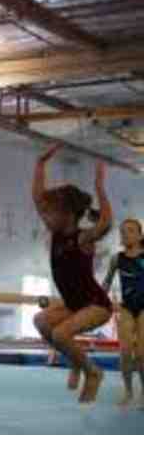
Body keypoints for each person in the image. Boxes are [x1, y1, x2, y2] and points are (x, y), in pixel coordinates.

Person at [32, 145, 113, 404]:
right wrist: (40, 165)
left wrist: (100, 187)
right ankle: (77, 362)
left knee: (60, 334)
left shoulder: (82, 238)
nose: (45, 215)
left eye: (51, 212)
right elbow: (38, 200)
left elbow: (106, 223)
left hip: (96, 305)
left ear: (68, 214)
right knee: (41, 321)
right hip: (73, 305)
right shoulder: (56, 232)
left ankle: (93, 372)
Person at [102, 218, 144, 408]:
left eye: (131, 230)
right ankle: (128, 391)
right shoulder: (117, 259)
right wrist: (97, 299)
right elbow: (106, 282)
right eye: (123, 231)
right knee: (125, 352)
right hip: (126, 308)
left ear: (140, 236)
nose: (126, 234)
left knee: (142, 354)